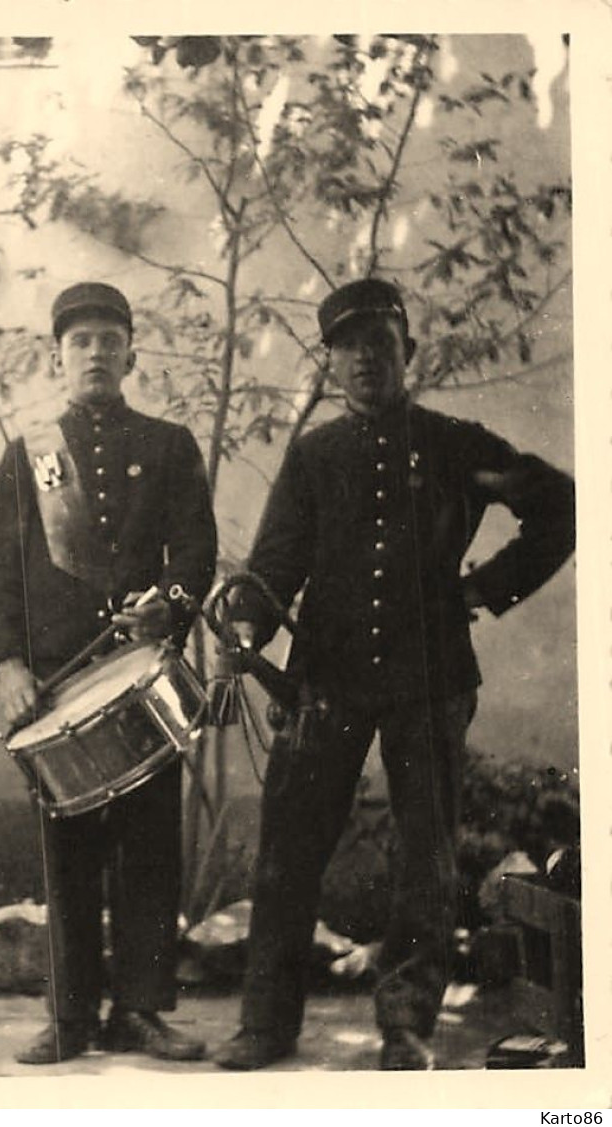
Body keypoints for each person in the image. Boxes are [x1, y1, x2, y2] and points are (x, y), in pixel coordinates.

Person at [213, 277, 576, 1072]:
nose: (364, 360)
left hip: (430, 677)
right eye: (347, 348)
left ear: (405, 353)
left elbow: (561, 504)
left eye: (379, 344)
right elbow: (276, 561)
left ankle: (406, 1022)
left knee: (426, 855)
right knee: (288, 846)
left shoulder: (456, 445)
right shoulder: (313, 457)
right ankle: (265, 1023)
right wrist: (248, 625)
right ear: (330, 364)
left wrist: (485, 587)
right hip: (327, 679)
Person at [0, 281, 218, 1065]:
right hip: (56, 680)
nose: (93, 353)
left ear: (129, 354)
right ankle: (71, 1014)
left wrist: (171, 607)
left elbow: (194, 552)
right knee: (68, 852)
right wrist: (10, 661)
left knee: (149, 847)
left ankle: (142, 1009)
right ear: (57, 355)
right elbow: (1, 573)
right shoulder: (31, 454)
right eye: (79, 341)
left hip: (140, 669)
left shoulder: (168, 445)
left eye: (107, 340)